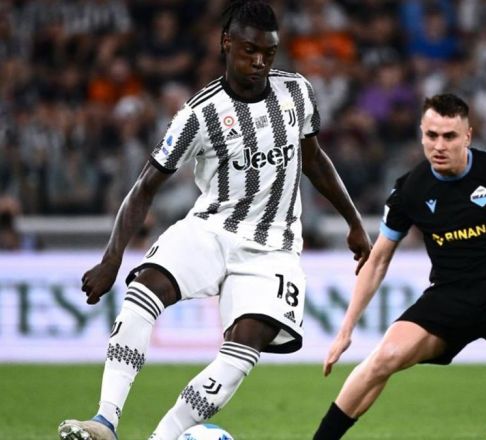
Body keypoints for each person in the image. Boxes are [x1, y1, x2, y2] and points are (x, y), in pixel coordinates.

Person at [58, 2, 372, 439]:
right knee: (142, 289)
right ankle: (105, 419)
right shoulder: (198, 114)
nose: (260, 62)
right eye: (249, 51)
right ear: (227, 44)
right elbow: (145, 185)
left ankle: (163, 438)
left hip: (273, 249)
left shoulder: (297, 92)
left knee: (243, 351)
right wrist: (112, 259)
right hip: (210, 229)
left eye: (269, 53)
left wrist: (354, 222)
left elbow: (314, 158)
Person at [313, 93, 486, 440]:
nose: (439, 145)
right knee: (385, 356)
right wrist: (345, 330)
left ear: (468, 136)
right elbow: (378, 260)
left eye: (449, 136)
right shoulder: (410, 189)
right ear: (421, 134)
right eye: (432, 135)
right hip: (449, 298)